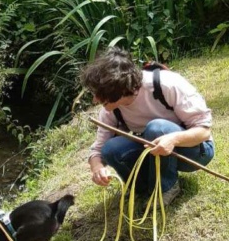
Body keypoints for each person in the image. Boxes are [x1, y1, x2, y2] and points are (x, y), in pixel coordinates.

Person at [81, 48, 214, 204]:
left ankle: (166, 187)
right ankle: (144, 188)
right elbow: (98, 149)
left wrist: (174, 139)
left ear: (119, 88)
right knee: (111, 149)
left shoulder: (165, 84)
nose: (95, 100)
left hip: (194, 152)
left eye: (100, 94)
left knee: (156, 128)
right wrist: (97, 167)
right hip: (154, 151)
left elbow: (204, 131)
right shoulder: (111, 109)